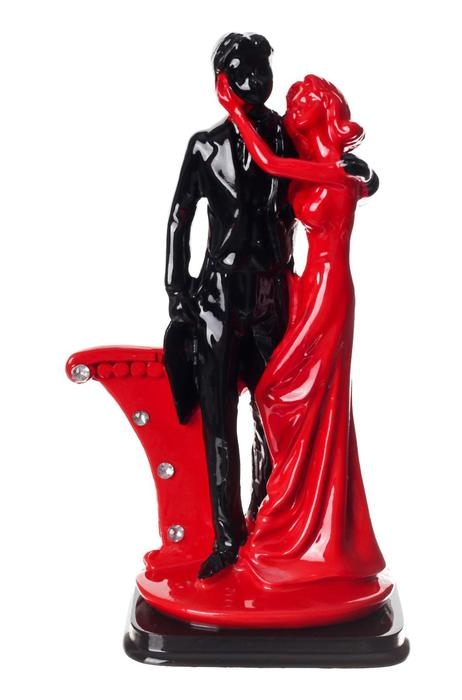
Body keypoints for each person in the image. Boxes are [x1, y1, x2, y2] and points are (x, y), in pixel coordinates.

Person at [216, 73, 385, 585]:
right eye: (292, 102)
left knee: (282, 391)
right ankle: (299, 514)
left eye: (301, 101)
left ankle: (308, 529)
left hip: (331, 287)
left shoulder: (342, 168)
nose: (293, 107)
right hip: (304, 282)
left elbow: (269, 163)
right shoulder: (316, 163)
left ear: (322, 106)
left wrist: (236, 111)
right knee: (293, 395)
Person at [164, 34, 297, 579]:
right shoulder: (205, 146)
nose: (256, 79)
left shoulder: (286, 138)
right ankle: (226, 535)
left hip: (272, 290)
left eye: (262, 68)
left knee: (274, 413)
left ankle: (267, 521)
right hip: (219, 294)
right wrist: (177, 290)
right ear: (224, 81)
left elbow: (323, 174)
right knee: (219, 418)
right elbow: (180, 217)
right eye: (245, 70)